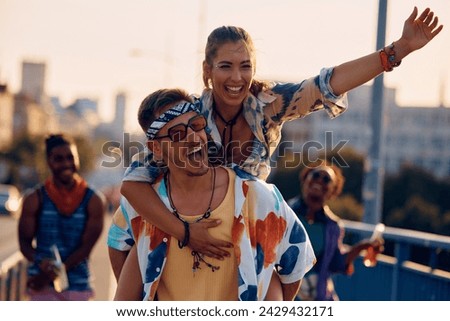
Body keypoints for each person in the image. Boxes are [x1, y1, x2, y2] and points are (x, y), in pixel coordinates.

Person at [107, 7, 443, 277]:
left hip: (241, 234)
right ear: (207, 71)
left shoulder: (269, 106)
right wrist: (185, 233)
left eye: (245, 66)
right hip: (180, 231)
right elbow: (133, 183)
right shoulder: (189, 118)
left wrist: (397, 51)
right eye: (225, 66)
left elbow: (328, 84)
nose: (237, 78)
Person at [113, 88, 315, 301]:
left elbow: (294, 267)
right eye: (178, 134)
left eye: (197, 126)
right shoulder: (147, 206)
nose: (193, 137)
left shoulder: (255, 197)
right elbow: (116, 242)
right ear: (156, 148)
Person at [18, 134, 106, 301]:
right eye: (58, 158)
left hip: (77, 287)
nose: (66, 163)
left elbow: (85, 248)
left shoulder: (94, 200)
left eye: (70, 157)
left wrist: (52, 273)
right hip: (41, 289)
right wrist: (40, 262)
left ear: (78, 159)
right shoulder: (35, 198)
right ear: (49, 162)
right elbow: (24, 243)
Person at [288, 160, 384, 301]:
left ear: (333, 191)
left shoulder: (333, 226)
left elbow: (335, 263)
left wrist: (363, 247)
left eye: (326, 179)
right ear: (305, 179)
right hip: (281, 294)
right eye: (315, 175)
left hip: (314, 297)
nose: (320, 180)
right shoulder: (283, 211)